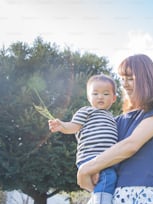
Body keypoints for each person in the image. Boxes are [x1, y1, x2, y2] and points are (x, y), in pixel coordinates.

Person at [77, 54, 153, 203]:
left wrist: (86, 169)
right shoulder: (116, 121)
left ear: (146, 78)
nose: (124, 84)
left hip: (145, 191)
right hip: (112, 194)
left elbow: (131, 145)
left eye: (130, 78)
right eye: (122, 78)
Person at [48, 74, 118, 204]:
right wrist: (62, 125)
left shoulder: (113, 119)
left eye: (106, 94)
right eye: (95, 93)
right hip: (90, 156)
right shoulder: (86, 111)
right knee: (108, 177)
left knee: (106, 181)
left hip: (106, 160)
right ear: (89, 97)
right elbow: (73, 126)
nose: (100, 97)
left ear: (114, 98)